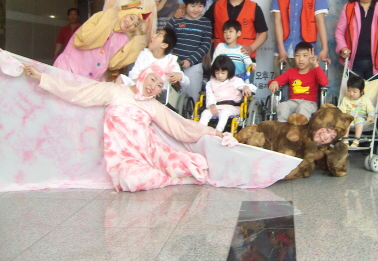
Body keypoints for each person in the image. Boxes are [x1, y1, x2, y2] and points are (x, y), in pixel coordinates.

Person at [21, 61, 228, 192]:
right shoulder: (115, 92)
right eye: (152, 79)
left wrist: (213, 131)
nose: (153, 87)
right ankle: (175, 180)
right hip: (125, 160)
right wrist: (42, 77)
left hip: (153, 153)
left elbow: (180, 127)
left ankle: (169, 173)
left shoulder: (153, 106)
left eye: (159, 86)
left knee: (195, 164)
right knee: (132, 181)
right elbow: (78, 91)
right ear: (143, 75)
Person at [53, 7, 147, 81]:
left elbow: (112, 63)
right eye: (131, 18)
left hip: (91, 79)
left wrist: (135, 47)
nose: (130, 24)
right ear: (124, 13)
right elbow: (82, 39)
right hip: (70, 67)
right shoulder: (103, 17)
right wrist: (108, 21)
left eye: (135, 25)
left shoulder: (123, 39)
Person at [204, 0, 268, 59]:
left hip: (245, 58)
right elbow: (203, 25)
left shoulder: (254, 7)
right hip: (221, 58)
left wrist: (251, 48)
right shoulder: (217, 5)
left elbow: (263, 33)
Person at [166, 0, 212, 103]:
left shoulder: (205, 23)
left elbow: (205, 45)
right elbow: (165, 41)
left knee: (192, 100)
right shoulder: (175, 21)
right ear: (185, 4)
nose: (196, 9)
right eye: (193, 6)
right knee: (172, 100)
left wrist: (190, 61)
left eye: (200, 6)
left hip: (194, 67)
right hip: (173, 66)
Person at [267, 42, 328, 123]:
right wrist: (274, 82)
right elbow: (277, 80)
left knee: (303, 107)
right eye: (298, 55)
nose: (301, 59)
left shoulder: (314, 72)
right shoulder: (291, 72)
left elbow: (324, 83)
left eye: (305, 55)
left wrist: (315, 64)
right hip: (293, 102)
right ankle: (283, 128)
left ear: (311, 57)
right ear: (294, 56)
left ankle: (300, 129)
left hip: (309, 103)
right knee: (283, 106)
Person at [199, 55, 256, 132]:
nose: (220, 76)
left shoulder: (235, 80)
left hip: (232, 107)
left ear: (229, 72)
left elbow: (253, 88)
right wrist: (212, 106)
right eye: (217, 73)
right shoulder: (210, 83)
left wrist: (245, 87)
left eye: (223, 73)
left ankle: (218, 131)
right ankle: (200, 131)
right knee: (205, 113)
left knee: (225, 112)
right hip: (216, 107)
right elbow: (210, 96)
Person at [116, 27, 188, 88]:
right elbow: (133, 73)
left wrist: (180, 76)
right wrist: (140, 83)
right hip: (138, 85)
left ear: (164, 45)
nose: (153, 36)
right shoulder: (144, 54)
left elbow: (186, 83)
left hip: (156, 93)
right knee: (121, 78)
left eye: (159, 35)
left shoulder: (171, 61)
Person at [338, 74, 375, 149]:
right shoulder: (345, 99)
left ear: (361, 92)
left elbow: (371, 109)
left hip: (361, 118)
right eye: (349, 90)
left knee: (359, 121)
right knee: (346, 121)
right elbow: (342, 109)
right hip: (349, 117)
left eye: (354, 92)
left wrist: (371, 115)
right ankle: (345, 140)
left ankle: (356, 140)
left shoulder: (365, 99)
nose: (351, 94)